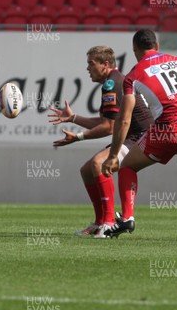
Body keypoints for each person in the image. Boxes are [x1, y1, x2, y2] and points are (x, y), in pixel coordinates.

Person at [101, 29, 177, 241]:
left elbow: (124, 118)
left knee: (127, 166)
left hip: (165, 130)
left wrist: (113, 155)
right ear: (156, 46)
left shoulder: (134, 75)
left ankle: (128, 217)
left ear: (135, 50)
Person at [48, 46, 152, 238]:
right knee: (87, 170)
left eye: (91, 64)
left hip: (141, 137)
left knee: (98, 164)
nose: (88, 68)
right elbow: (107, 122)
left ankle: (109, 223)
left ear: (105, 64)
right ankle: (99, 223)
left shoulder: (111, 85)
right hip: (131, 135)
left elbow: (109, 128)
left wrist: (78, 137)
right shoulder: (114, 81)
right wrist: (73, 118)